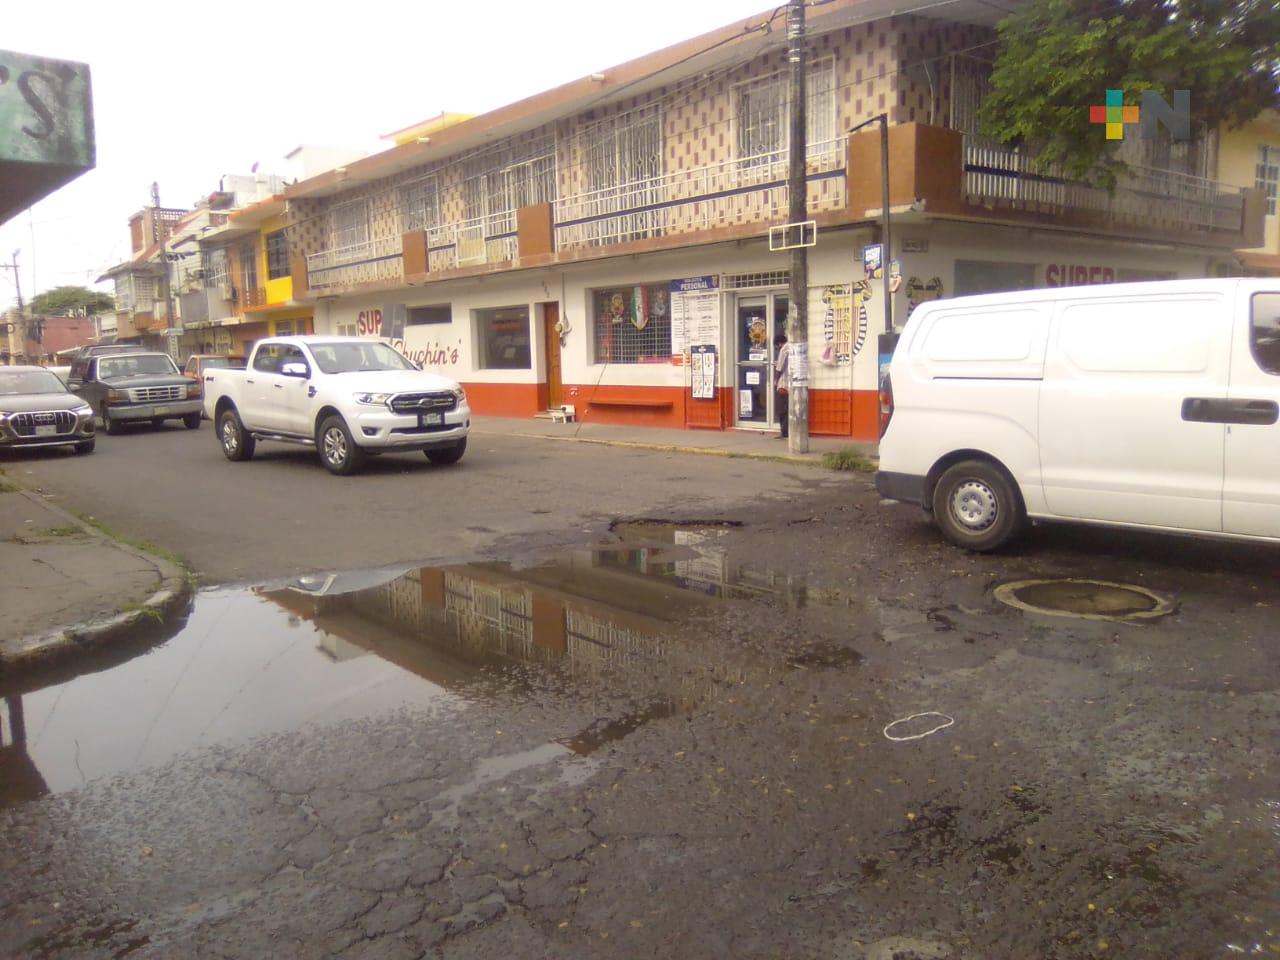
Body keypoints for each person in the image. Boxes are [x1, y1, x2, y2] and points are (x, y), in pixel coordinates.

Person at [774, 332, 790, 439]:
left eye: (776, 346)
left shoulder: (784, 349)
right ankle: (787, 431)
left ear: (779, 344)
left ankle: (783, 432)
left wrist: (775, 380)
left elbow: (779, 367)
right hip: (791, 384)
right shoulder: (792, 347)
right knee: (788, 409)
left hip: (783, 385)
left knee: (781, 409)